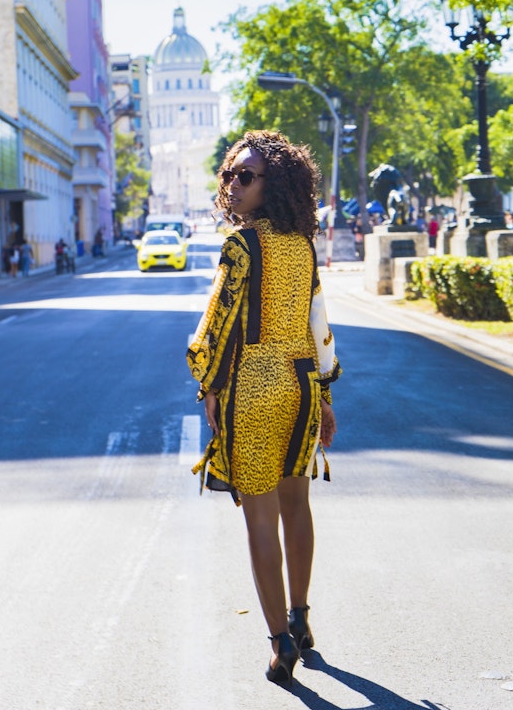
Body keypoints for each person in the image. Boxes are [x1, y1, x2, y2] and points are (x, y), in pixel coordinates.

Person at [187, 131, 341, 689]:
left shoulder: (241, 245)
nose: (233, 184)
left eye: (244, 176)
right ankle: (301, 618)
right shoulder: (301, 245)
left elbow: (218, 323)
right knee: (297, 504)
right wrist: (324, 393)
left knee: (260, 519)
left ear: (270, 186)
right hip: (301, 381)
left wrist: (206, 381)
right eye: (229, 174)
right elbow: (318, 323)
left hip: (254, 385)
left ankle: (280, 644)